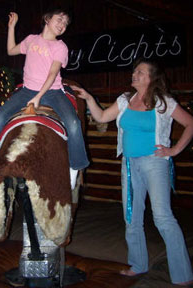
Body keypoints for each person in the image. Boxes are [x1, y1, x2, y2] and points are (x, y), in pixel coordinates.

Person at [71, 58, 193, 286]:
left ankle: (183, 275)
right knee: (131, 217)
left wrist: (174, 150)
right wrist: (88, 98)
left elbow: (190, 123)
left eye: (140, 72)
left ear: (151, 78)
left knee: (163, 217)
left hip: (155, 164)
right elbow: (101, 117)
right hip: (129, 164)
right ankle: (138, 265)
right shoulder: (125, 100)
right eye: (134, 71)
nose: (134, 74)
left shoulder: (163, 102)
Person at [0, 8, 89, 185]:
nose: (62, 25)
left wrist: (39, 96)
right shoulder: (31, 40)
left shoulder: (60, 46)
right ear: (47, 19)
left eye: (65, 23)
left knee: (73, 123)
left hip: (53, 92)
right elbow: (11, 50)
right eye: (59, 20)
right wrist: (11, 27)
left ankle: (75, 166)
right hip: (27, 90)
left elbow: (52, 73)